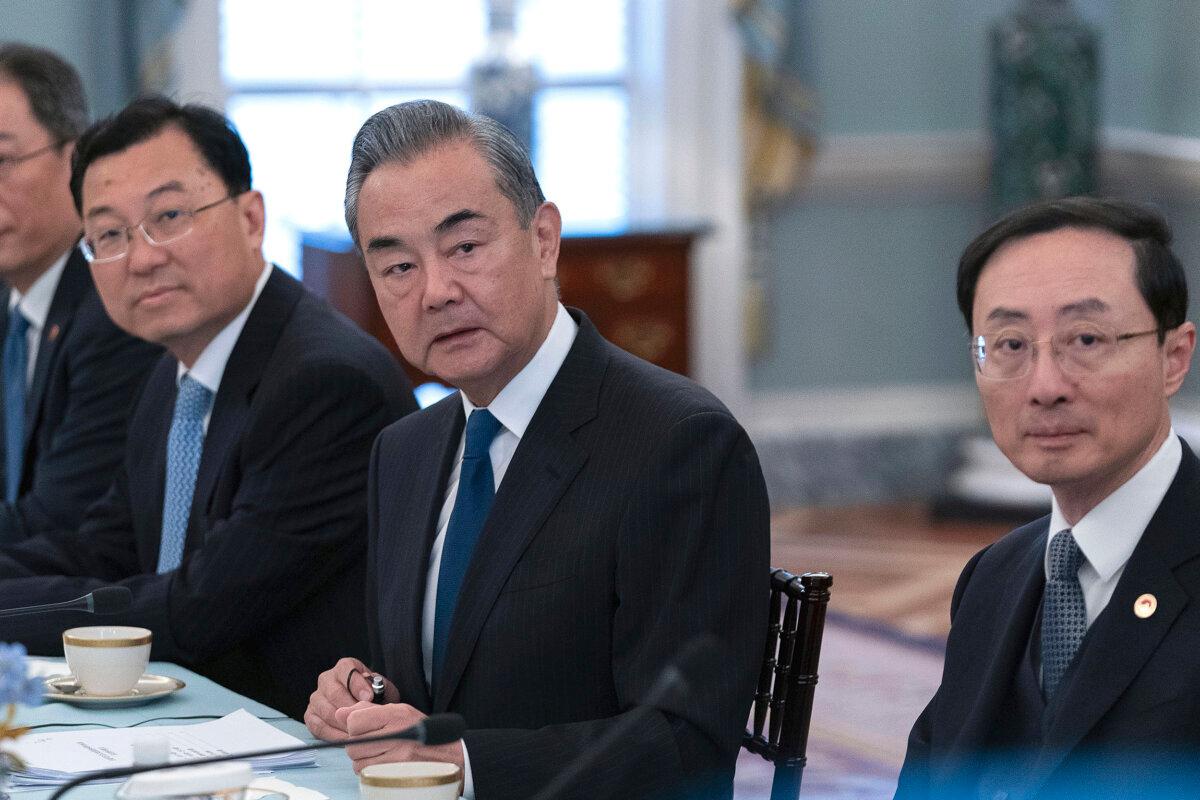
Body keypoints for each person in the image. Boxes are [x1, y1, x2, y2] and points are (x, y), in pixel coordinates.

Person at [304, 100, 769, 799]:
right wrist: (362, 694)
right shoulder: (403, 451)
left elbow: (687, 742)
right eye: (398, 266)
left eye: (464, 248)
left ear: (544, 239)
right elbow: (432, 680)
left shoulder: (679, 443)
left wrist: (463, 763)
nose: (436, 292)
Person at [0, 97, 417, 719]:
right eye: (109, 235)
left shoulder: (324, 383)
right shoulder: (174, 371)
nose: (142, 258)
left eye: (169, 215)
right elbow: (99, 547)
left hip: (303, 746)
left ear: (252, 218)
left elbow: (196, 609)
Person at [896, 197, 1200, 799]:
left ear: (1174, 358)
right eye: (1009, 345)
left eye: (1085, 338)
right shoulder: (994, 577)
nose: (1044, 387)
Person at [0, 44, 159, 543]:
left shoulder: (114, 310)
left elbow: (58, 522)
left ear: (75, 162)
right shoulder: (12, 303)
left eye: (2, 159)